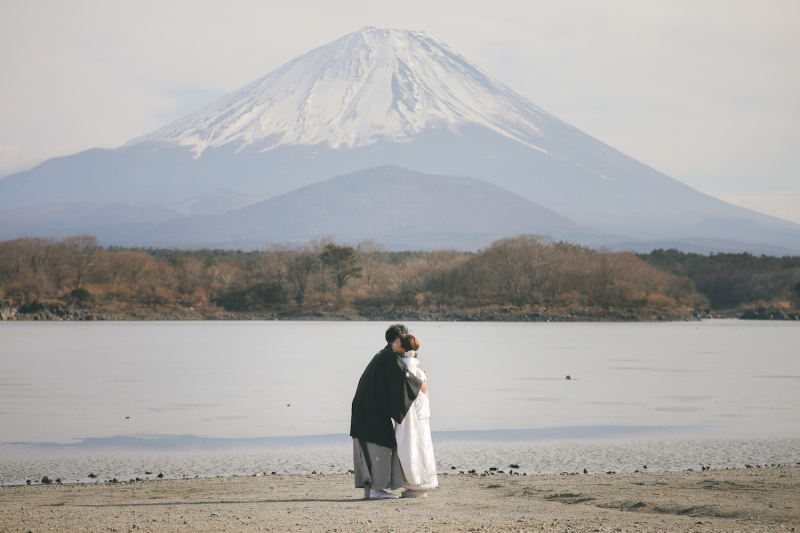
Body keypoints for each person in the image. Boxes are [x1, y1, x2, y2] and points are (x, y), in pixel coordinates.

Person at [350, 324, 426, 499]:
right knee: (382, 447)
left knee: (368, 449)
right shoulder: (389, 357)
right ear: (397, 340)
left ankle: (369, 490)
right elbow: (402, 379)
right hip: (371, 411)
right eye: (404, 340)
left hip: (364, 408)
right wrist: (419, 382)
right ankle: (377, 490)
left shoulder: (382, 354)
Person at [395, 334, 438, 498]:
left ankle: (416, 483)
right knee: (421, 447)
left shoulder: (407, 367)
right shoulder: (416, 370)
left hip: (411, 416)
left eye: (397, 342)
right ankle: (420, 483)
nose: (394, 344)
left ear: (404, 348)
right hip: (419, 415)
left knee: (411, 447)